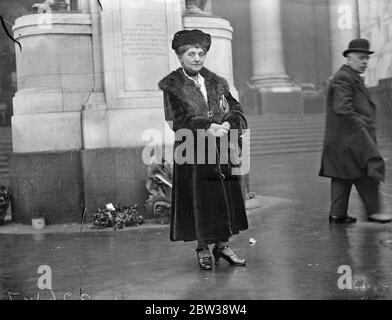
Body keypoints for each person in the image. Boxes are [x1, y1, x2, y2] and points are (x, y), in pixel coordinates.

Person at [158, 29, 248, 270]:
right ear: (180, 56)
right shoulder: (173, 86)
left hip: (221, 150)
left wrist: (229, 123)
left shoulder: (217, 82)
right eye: (191, 53)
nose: (197, 58)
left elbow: (236, 109)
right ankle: (202, 247)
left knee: (224, 199)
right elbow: (176, 122)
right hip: (193, 153)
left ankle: (222, 246)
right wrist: (208, 127)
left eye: (200, 53)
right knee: (200, 200)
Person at [319, 38, 392, 224]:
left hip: (342, 141)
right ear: (349, 58)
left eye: (367, 58)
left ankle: (337, 214)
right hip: (351, 139)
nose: (365, 62)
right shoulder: (345, 78)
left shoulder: (349, 77)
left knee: (342, 176)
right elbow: (343, 109)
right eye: (361, 58)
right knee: (367, 171)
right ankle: (374, 211)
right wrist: (362, 128)